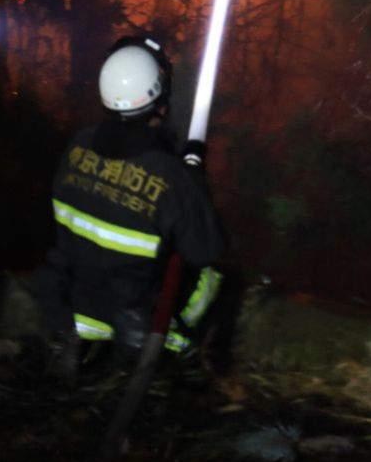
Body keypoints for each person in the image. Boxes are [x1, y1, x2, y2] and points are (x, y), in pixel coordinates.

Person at [31, 34, 226, 381]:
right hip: (133, 323)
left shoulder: (78, 146)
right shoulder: (169, 175)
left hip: (70, 303)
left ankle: (80, 346)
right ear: (160, 102)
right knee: (211, 275)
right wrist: (192, 186)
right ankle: (180, 344)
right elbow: (205, 248)